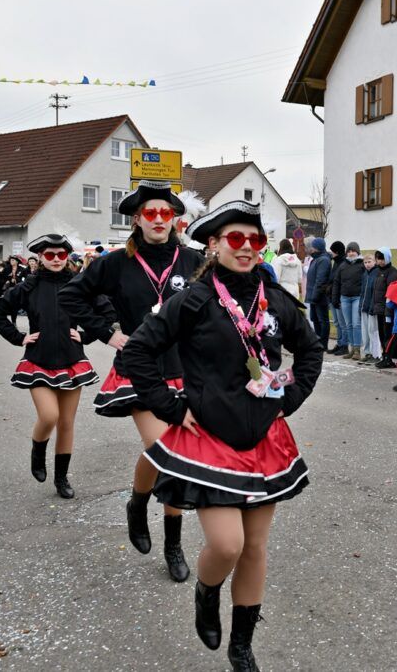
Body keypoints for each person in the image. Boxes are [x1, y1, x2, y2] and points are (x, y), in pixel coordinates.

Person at [121, 200, 323, 666]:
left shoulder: (275, 298)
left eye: (256, 240)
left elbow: (311, 350)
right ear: (213, 245)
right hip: (208, 440)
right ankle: (207, 592)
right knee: (228, 545)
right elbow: (138, 353)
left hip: (265, 439)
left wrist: (290, 399)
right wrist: (171, 408)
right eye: (236, 239)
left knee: (254, 547)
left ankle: (241, 646)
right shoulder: (194, 300)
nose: (247, 247)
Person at [60, 179, 204, 582]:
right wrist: (108, 333)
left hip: (186, 370)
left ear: (174, 219)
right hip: (140, 368)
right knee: (166, 450)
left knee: (176, 456)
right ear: (137, 219)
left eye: (165, 213)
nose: (159, 219)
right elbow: (71, 296)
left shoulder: (194, 260)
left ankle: (167, 536)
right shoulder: (115, 262)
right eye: (150, 213)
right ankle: (142, 508)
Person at [0, 234, 104, 498]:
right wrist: (19, 337)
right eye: (50, 255)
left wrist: (86, 335)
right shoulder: (29, 286)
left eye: (61, 255)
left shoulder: (79, 284)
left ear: (67, 256)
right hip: (38, 360)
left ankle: (61, 479)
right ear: (40, 257)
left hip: (72, 360)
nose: (56, 259)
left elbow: (107, 312)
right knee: (50, 416)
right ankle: (37, 451)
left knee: (66, 423)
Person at [336, 242, 366, 360]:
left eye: (353, 251)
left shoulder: (362, 264)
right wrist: (335, 298)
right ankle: (352, 349)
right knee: (348, 324)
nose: (351, 253)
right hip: (345, 298)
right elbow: (337, 282)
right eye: (349, 251)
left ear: (357, 252)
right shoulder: (343, 265)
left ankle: (357, 349)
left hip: (357, 297)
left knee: (356, 324)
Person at [371, 248, 397, 369]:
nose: (380, 261)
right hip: (379, 308)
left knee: (388, 334)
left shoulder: (392, 272)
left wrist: (388, 310)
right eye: (378, 259)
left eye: (382, 259)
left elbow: (390, 292)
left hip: (387, 310)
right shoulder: (378, 271)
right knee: (382, 334)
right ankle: (385, 356)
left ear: (387, 258)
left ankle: (389, 358)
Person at [304, 237, 332, 346]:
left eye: (313, 247)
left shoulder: (323, 260)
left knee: (322, 320)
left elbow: (320, 280)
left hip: (320, 297)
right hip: (314, 296)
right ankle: (318, 342)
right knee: (315, 319)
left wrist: (315, 296)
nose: (311, 249)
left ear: (318, 248)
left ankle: (323, 344)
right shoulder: (316, 259)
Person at [359, 254, 382, 363]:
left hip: (372, 308)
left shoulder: (377, 273)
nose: (367, 264)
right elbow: (362, 292)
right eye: (365, 262)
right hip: (364, 307)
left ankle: (376, 355)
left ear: (375, 262)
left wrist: (373, 306)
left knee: (373, 331)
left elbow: (375, 292)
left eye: (369, 262)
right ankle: (367, 352)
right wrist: (360, 306)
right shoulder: (365, 274)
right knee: (365, 332)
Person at [327, 240, 348, 355]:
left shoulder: (343, 263)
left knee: (342, 323)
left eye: (333, 251)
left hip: (339, 297)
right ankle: (339, 343)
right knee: (336, 322)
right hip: (332, 296)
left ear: (337, 252)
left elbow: (338, 280)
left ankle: (344, 345)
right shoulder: (336, 262)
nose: (331, 253)